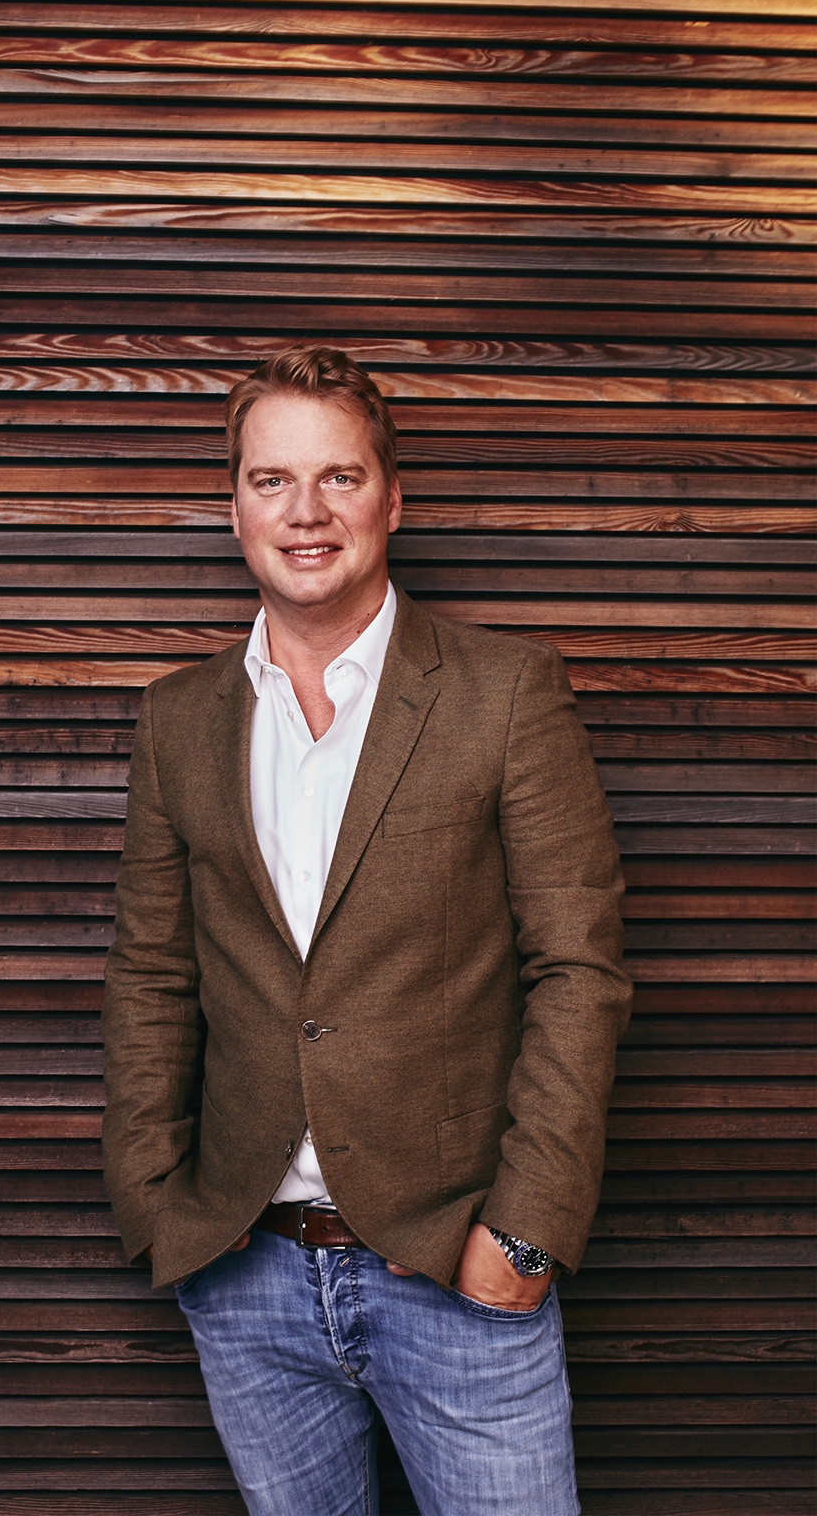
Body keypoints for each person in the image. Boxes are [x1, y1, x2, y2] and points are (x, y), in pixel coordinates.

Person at [102, 345, 632, 1515]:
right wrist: (157, 1206)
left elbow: (577, 971)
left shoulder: (505, 691)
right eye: (272, 479)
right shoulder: (178, 719)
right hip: (244, 1271)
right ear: (235, 505)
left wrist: (524, 1234)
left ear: (391, 499)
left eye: (338, 477)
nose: (305, 512)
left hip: (455, 1269)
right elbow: (151, 974)